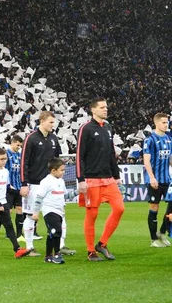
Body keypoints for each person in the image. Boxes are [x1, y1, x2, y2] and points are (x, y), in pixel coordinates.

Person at [77, 97, 125, 261]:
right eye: (102, 107)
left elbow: (111, 153)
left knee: (119, 208)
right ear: (93, 110)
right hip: (91, 179)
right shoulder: (86, 128)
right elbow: (79, 156)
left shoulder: (108, 127)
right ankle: (91, 250)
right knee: (92, 214)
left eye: (106, 107)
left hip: (109, 178)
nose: (106, 109)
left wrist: (116, 176)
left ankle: (102, 244)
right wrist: (80, 179)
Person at [20, 111, 62, 257]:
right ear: (42, 121)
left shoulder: (53, 139)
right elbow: (24, 161)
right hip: (34, 183)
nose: (53, 125)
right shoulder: (30, 139)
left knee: (58, 214)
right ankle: (30, 247)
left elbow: (57, 161)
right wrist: (24, 183)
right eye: (50, 122)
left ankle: (60, 246)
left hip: (51, 184)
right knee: (31, 216)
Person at [32, 158, 79, 264]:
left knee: (51, 233)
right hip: (49, 210)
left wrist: (77, 192)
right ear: (53, 170)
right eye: (62, 170)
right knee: (57, 231)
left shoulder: (61, 181)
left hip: (59, 211)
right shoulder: (45, 182)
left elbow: (65, 196)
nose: (64, 172)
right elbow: (39, 198)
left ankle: (48, 256)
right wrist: (35, 212)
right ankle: (57, 254)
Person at [142, 113, 172, 247]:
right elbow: (146, 161)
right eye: (164, 122)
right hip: (154, 180)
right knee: (154, 208)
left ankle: (162, 232)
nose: (167, 125)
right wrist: (152, 178)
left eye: (167, 122)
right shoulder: (150, 140)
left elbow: (170, 159)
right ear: (157, 123)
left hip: (167, 179)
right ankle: (153, 239)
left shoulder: (168, 139)